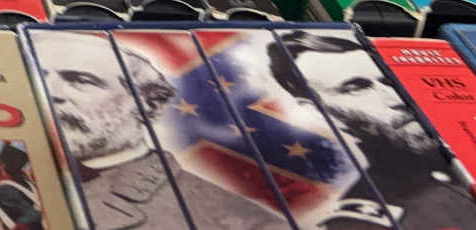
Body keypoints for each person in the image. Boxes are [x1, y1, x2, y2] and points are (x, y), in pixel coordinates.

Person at [28, 30, 286, 230]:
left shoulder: (242, 223)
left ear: (147, 104)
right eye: (40, 76)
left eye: (80, 80)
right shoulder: (19, 168)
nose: (49, 92)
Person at [270, 30, 476, 230]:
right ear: (321, 113)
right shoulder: (366, 222)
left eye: (387, 80)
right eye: (357, 88)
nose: (394, 98)